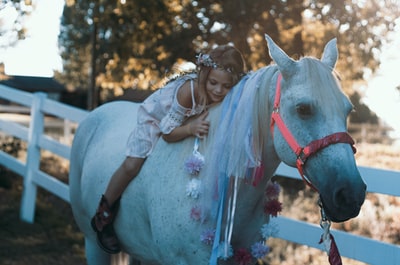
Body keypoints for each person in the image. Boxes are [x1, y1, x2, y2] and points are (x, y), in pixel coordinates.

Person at [90, 45, 246, 254]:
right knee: (133, 164)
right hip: (157, 120)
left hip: (185, 120)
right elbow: (167, 132)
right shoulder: (189, 91)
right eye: (213, 83)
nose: (218, 90)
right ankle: (103, 215)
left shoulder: (227, 95)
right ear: (205, 76)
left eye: (226, 86)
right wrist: (190, 128)